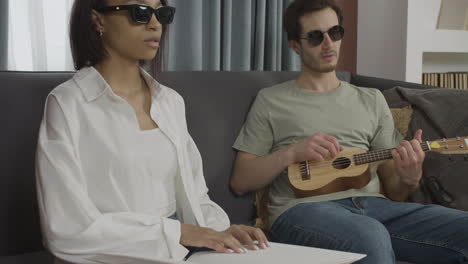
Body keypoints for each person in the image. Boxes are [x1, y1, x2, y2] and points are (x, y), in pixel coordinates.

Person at [230, 0, 468, 263]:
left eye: (335, 32)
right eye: (315, 37)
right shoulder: (270, 100)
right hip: (301, 211)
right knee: (369, 234)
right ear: (295, 45)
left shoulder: (372, 99)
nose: (329, 43)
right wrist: (290, 153)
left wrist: (409, 177)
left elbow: (395, 191)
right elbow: (241, 181)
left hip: (376, 207)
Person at [35, 0, 268, 263]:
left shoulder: (170, 101)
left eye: (162, 13)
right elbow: (65, 230)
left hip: (178, 249)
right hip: (109, 256)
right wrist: (178, 232)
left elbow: (194, 193)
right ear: (98, 20)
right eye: (141, 12)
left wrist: (219, 231)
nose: (156, 24)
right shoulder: (68, 104)